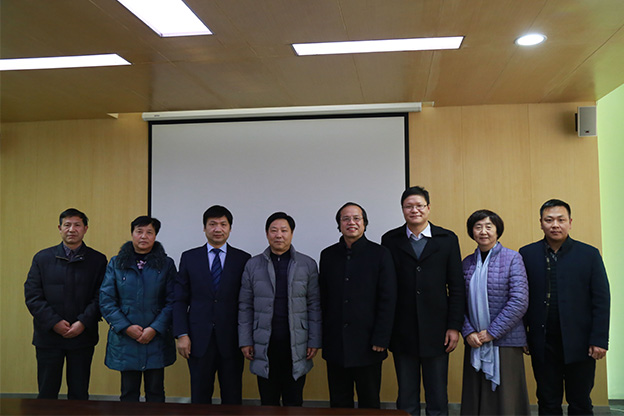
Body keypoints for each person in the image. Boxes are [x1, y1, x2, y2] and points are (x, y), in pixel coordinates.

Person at [520, 199, 610, 415]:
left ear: (570, 222)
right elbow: (520, 297)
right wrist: (523, 335)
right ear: (541, 223)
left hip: (581, 342)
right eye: (549, 220)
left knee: (580, 401)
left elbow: (601, 299)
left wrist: (599, 339)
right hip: (543, 341)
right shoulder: (526, 254)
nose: (555, 225)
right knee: (547, 400)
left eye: (561, 220)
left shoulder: (589, 254)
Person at [381, 186, 464, 416]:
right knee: (406, 395)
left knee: (437, 394)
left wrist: (454, 326)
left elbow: (457, 287)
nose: (414, 210)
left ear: (428, 208)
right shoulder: (390, 240)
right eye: (409, 206)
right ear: (402, 210)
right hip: (402, 328)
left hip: (438, 329)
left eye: (419, 205)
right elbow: (386, 286)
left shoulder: (447, 239)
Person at [238, 212, 321, 406]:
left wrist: (314, 340)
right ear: (267, 234)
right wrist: (245, 340)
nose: (279, 235)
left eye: (284, 230)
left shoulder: (307, 264)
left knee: (294, 401)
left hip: (297, 344)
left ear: (291, 233)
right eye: (274, 230)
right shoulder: (253, 265)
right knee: (268, 401)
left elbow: (314, 305)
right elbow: (245, 306)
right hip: (264, 343)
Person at [319, 202, 396, 409]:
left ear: (364, 223)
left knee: (369, 402)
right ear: (339, 224)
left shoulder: (380, 254)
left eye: (356, 218)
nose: (351, 222)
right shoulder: (328, 255)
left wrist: (381, 337)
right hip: (336, 343)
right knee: (339, 402)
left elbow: (388, 299)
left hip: (369, 344)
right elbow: (323, 298)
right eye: (345, 219)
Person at [24, 208, 107, 400]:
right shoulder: (42, 258)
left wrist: (83, 322)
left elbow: (102, 296)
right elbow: (33, 295)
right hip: (48, 336)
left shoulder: (98, 260)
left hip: (82, 336)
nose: (72, 229)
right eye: (67, 225)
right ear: (59, 228)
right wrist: (54, 322)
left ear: (85, 229)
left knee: (79, 393)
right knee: (47, 391)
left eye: (77, 225)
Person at [173, 205, 251, 404]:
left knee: (232, 398)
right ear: (204, 228)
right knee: (200, 397)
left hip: (232, 340)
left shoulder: (243, 259)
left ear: (230, 228)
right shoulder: (189, 258)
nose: (218, 229)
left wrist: (247, 338)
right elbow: (180, 299)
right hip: (198, 340)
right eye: (213, 224)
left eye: (223, 224)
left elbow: (247, 302)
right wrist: (182, 334)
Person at [459, 209, 530, 415]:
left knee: (506, 398)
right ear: (471, 232)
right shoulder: (466, 263)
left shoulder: (513, 258)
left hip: (506, 340)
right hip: (475, 341)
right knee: (475, 395)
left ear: (497, 230)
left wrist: (491, 332)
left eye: (488, 226)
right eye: (478, 227)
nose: (483, 231)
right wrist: (468, 332)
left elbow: (519, 300)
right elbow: (458, 302)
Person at [99, 216, 177, 402]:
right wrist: (126, 327)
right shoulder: (116, 263)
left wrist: (155, 328)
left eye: (149, 232)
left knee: (156, 392)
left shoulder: (166, 264)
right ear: (132, 233)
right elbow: (106, 300)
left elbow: (173, 300)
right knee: (128, 392)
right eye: (139, 231)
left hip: (156, 338)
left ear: (155, 236)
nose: (144, 236)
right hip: (126, 338)